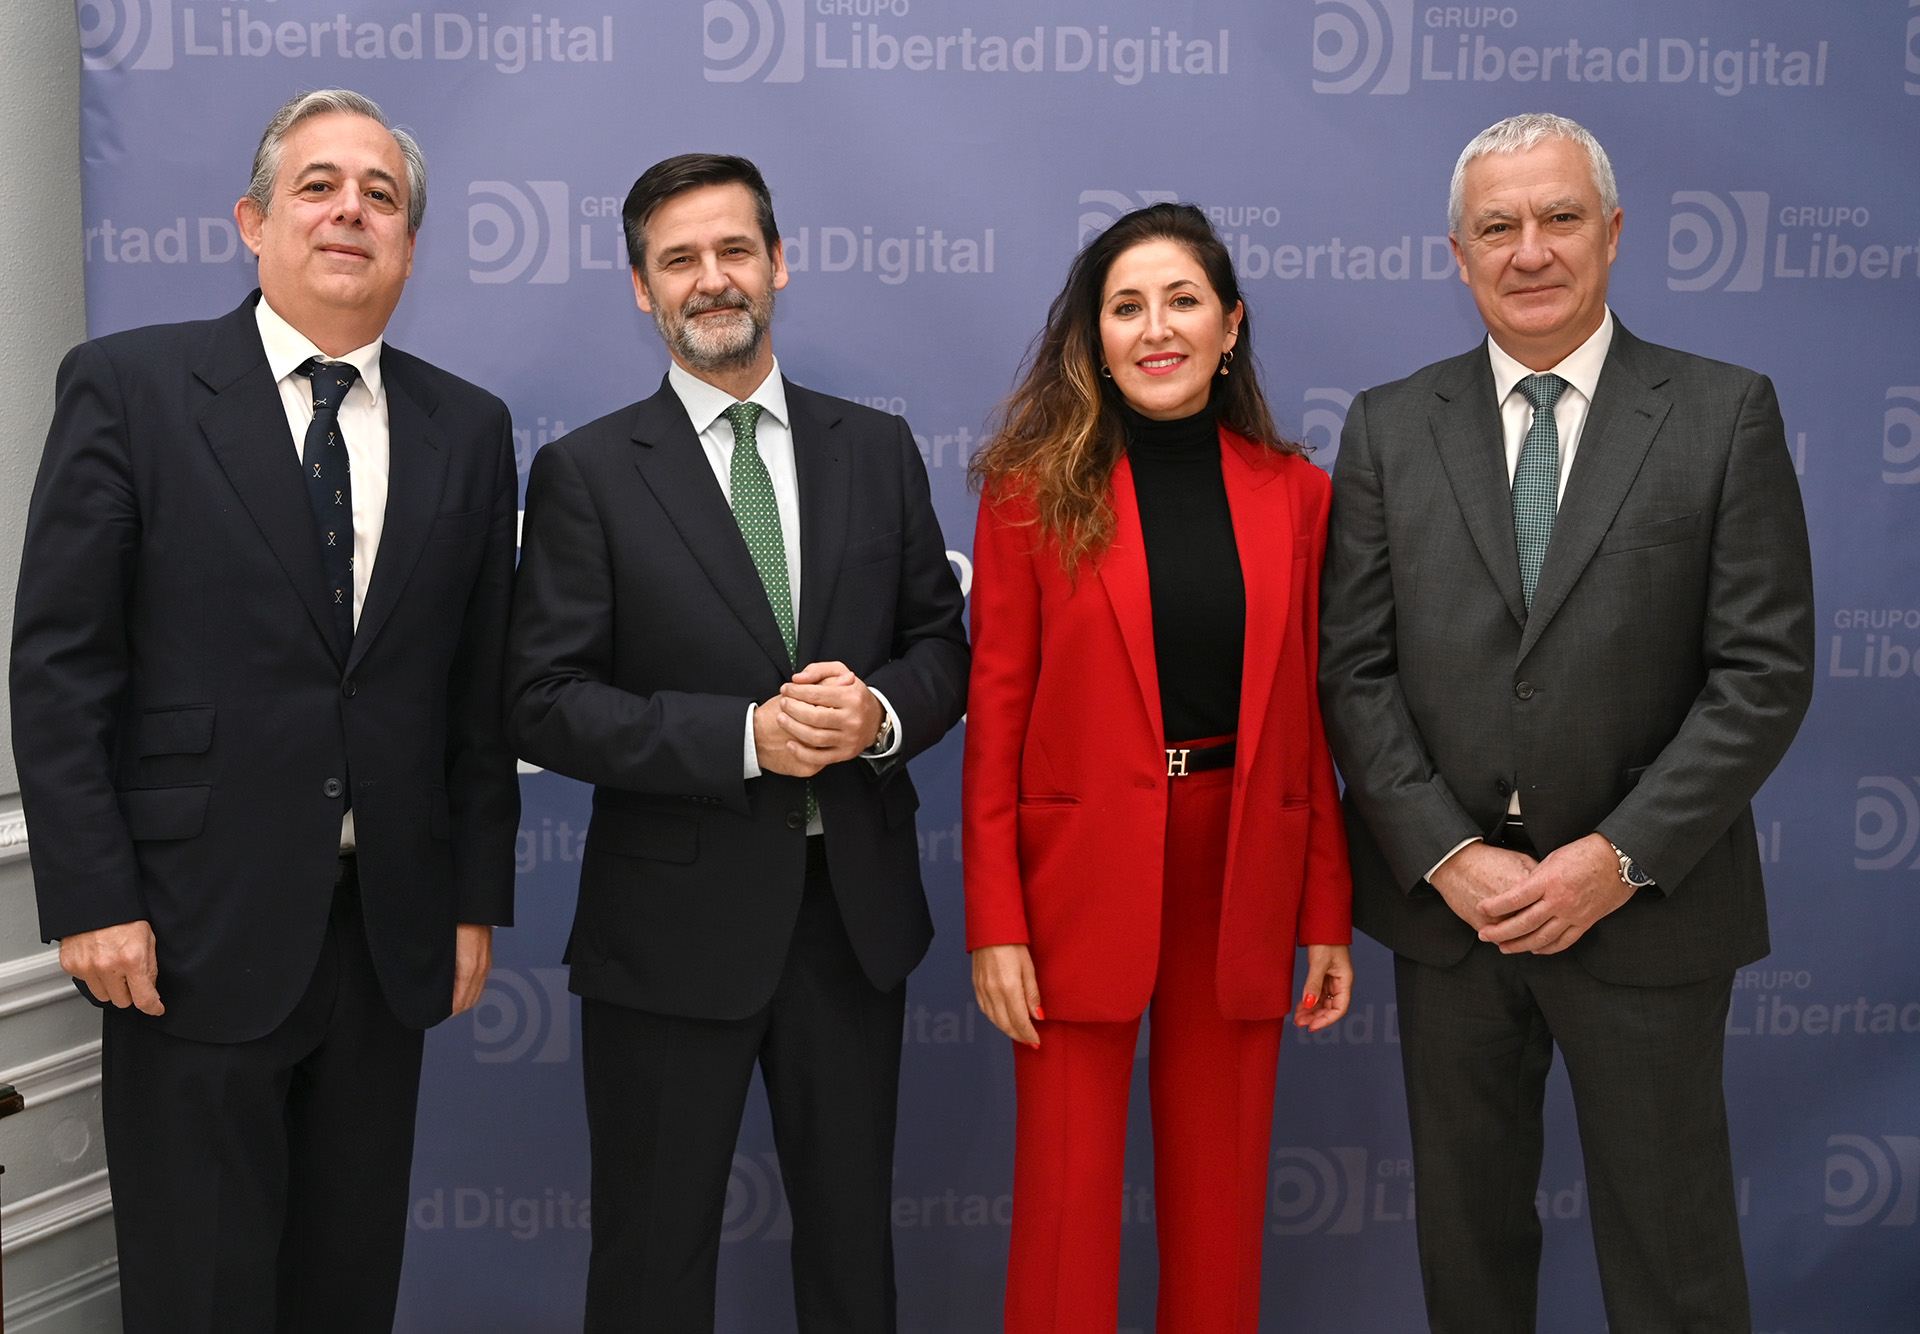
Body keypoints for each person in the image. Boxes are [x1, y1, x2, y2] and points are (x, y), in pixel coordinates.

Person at [10, 89, 520, 1330]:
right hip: (185, 933)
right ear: (253, 221)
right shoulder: (129, 387)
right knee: (201, 1292)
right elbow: (61, 665)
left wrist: (472, 896)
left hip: (385, 934)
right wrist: (90, 896)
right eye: (318, 186)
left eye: (380, 196)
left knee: (345, 1288)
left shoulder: (468, 427)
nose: (351, 210)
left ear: (409, 245)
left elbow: (477, 689)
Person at [1318, 113, 1815, 1332]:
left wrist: (1616, 857)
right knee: (1469, 1257)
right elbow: (1354, 670)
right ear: (1458, 253)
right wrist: (1449, 855)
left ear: (1614, 232)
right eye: (1498, 227)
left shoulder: (1723, 412)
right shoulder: (1388, 426)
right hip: (1457, 918)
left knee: (1674, 1262)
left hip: (1646, 908)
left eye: (1559, 218)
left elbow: (1763, 672)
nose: (1529, 249)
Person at [505, 152, 968, 1333]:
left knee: (853, 1258)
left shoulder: (876, 448)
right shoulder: (587, 472)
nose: (711, 278)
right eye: (679, 260)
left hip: (851, 923)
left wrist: (878, 715)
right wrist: (745, 737)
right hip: (669, 934)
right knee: (652, 1263)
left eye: (733, 250)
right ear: (642, 288)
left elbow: (941, 645)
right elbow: (544, 698)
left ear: (778, 263)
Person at [963, 202, 1354, 1334]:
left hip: (1241, 866)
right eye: (1126, 306)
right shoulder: (1030, 491)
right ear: (1094, 338)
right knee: (1065, 1209)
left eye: (1182, 300)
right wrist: (998, 921)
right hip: (1077, 879)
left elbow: (1311, 721)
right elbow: (997, 718)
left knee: (1221, 1212)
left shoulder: (1300, 495)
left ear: (1230, 325)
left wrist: (1325, 912)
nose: (1156, 327)